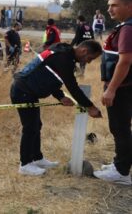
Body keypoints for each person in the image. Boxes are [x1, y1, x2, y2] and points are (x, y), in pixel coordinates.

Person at [11, 40, 103, 176]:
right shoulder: (64, 58)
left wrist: (60, 96)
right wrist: (90, 107)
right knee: (30, 128)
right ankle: (25, 165)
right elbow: (73, 87)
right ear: (84, 51)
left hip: (28, 92)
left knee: (36, 125)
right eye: (90, 58)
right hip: (23, 92)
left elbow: (50, 77)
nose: (88, 62)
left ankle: (37, 158)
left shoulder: (64, 53)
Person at [95, 0, 132, 185]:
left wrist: (111, 89)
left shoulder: (128, 29)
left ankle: (122, 172)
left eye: (114, 5)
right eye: (109, 5)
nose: (109, 9)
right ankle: (120, 163)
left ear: (129, 6)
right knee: (120, 126)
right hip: (124, 87)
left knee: (120, 127)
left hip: (121, 88)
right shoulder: (124, 26)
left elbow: (125, 61)